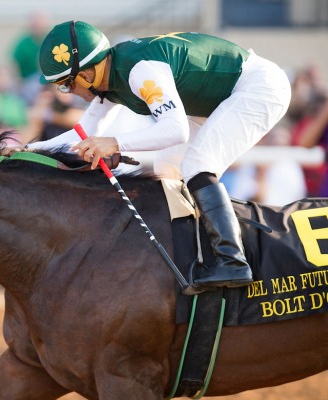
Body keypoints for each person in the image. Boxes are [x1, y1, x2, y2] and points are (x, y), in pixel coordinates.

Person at [27, 21, 291, 289]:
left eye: (66, 84)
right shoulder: (109, 80)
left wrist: (115, 143)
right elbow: (81, 135)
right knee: (167, 168)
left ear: (86, 74)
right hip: (223, 97)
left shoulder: (140, 71)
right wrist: (24, 150)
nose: (68, 92)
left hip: (259, 87)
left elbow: (176, 130)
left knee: (198, 164)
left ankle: (233, 261)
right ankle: (190, 254)